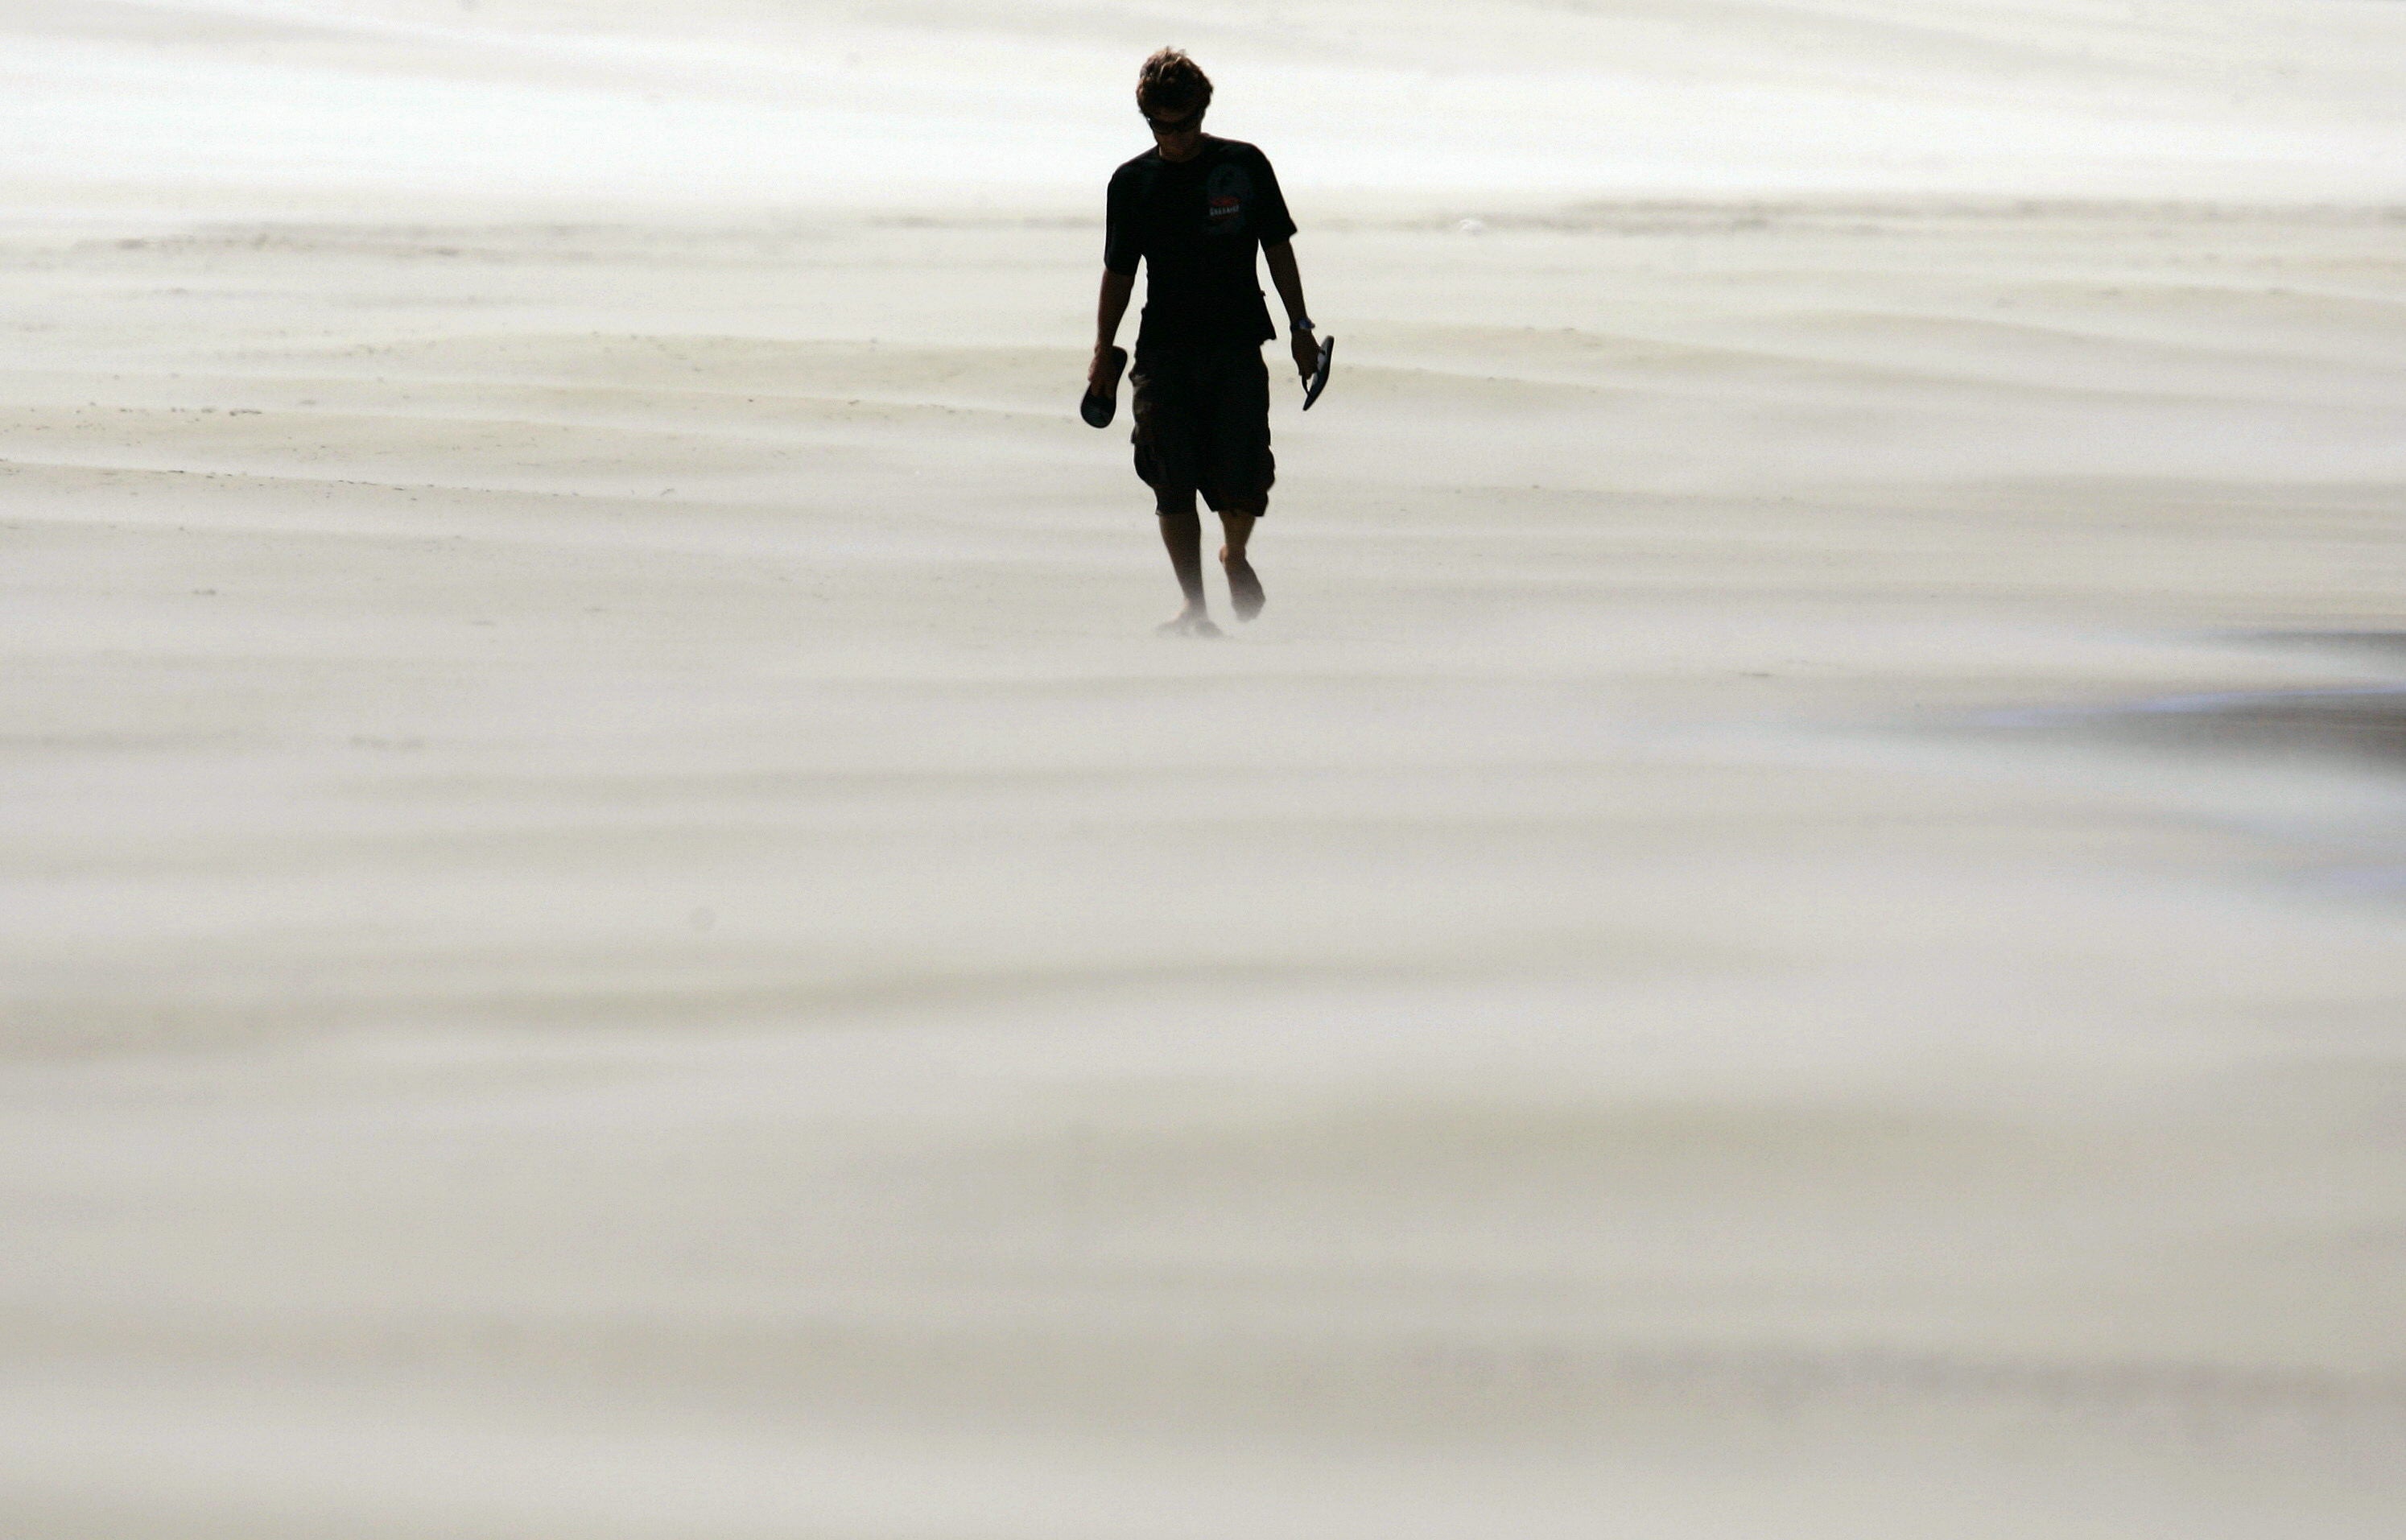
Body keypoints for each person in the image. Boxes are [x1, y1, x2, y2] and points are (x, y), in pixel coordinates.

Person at [1089, 49, 1320, 636]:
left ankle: (1234, 553)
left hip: (1237, 342)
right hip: (1162, 349)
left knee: (1242, 469)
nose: (1174, 137)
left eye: (1184, 123)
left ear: (1202, 111)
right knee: (1169, 471)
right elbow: (1118, 273)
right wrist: (1100, 352)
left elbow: (1277, 248)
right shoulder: (1132, 182)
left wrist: (1300, 328)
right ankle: (1194, 606)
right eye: (1161, 127)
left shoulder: (1243, 167)